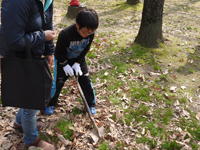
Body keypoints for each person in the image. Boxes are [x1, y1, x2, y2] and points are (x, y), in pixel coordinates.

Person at [0, 0, 56, 149]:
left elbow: (47, 23)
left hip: (33, 51)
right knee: (32, 99)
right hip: (18, 56)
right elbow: (13, 40)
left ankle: (19, 123)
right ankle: (31, 139)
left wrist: (49, 50)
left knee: (30, 94)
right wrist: (43, 37)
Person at [45, 8, 99, 116]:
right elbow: (58, 53)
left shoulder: (90, 33)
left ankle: (90, 104)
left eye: (90, 32)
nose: (87, 34)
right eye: (85, 32)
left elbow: (85, 49)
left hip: (78, 60)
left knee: (86, 81)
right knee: (58, 83)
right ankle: (50, 103)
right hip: (62, 60)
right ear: (77, 25)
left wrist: (78, 63)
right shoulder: (65, 34)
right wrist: (65, 66)